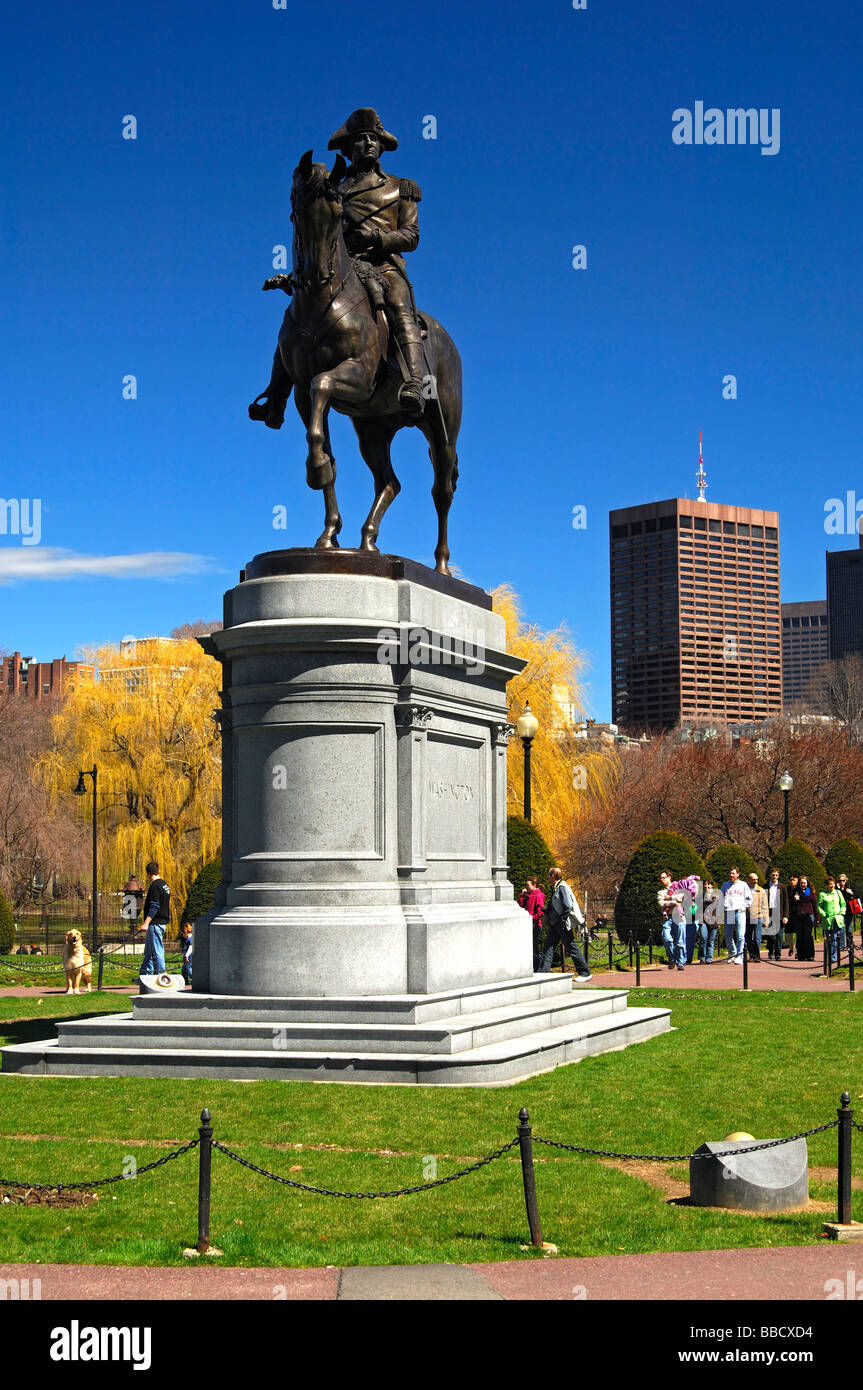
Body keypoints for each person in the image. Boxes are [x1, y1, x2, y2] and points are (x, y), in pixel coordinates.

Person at [249, 108, 427, 426]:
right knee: (295, 317)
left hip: (384, 265)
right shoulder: (336, 190)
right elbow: (321, 237)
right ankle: (276, 398)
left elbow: (411, 236)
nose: (368, 144)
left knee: (400, 305)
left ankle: (415, 383)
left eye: (374, 138)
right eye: (360, 140)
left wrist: (375, 236)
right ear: (347, 149)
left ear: (382, 146)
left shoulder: (402, 188)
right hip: (343, 266)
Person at [538, 868, 593, 981]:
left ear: (553, 876)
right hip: (556, 923)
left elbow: (567, 906)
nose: (548, 877)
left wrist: (561, 919)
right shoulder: (558, 887)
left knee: (571, 947)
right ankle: (543, 972)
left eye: (549, 875)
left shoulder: (561, 888)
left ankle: (585, 972)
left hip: (561, 924)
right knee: (548, 946)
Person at [139, 861, 171, 976]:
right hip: (161, 922)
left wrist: (146, 923)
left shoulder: (155, 886)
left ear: (148, 874)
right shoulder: (164, 884)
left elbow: (155, 906)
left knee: (157, 951)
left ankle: (161, 976)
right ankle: (144, 976)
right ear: (158, 871)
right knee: (148, 952)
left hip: (155, 923)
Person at [657, 870, 690, 972]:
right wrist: (674, 902)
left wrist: (669, 898)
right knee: (667, 938)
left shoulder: (678, 887)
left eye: (664, 877)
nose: (662, 880)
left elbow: (682, 898)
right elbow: (661, 903)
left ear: (669, 877)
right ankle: (672, 959)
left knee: (680, 941)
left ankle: (680, 962)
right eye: (661, 878)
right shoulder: (661, 892)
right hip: (668, 918)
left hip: (679, 916)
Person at [720, 867, 752, 964]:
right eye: (730, 873)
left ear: (738, 874)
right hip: (729, 912)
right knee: (728, 935)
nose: (731, 875)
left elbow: (749, 899)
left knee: (740, 935)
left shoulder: (743, 885)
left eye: (733, 873)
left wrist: (744, 906)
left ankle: (739, 955)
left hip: (740, 912)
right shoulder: (725, 885)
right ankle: (732, 953)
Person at [519, 877, 546, 972]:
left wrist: (531, 918)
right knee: (530, 947)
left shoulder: (538, 896)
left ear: (534, 885)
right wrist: (522, 896)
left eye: (528, 885)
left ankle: (538, 968)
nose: (526, 887)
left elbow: (540, 912)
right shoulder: (529, 895)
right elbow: (522, 907)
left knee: (534, 947)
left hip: (535, 925)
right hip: (529, 924)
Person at [818, 877, 846, 966]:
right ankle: (829, 955)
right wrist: (823, 914)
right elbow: (819, 906)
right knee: (829, 939)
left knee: (835, 937)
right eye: (830, 884)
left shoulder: (838, 893)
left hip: (837, 919)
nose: (832, 886)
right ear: (827, 885)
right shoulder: (823, 894)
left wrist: (841, 913)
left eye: (833, 884)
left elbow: (843, 904)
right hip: (827, 920)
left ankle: (833, 957)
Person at [790, 875, 818, 962]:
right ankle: (801, 955)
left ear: (807, 884)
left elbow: (815, 905)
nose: (803, 885)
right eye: (801, 883)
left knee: (807, 936)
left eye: (804, 883)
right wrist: (794, 900)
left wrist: (817, 918)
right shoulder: (795, 892)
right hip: (798, 916)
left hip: (808, 916)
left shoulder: (811, 893)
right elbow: (790, 903)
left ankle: (810, 955)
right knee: (799, 936)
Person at [764, 868, 789, 961]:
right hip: (769, 912)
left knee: (779, 935)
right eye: (773, 875)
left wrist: (786, 916)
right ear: (770, 875)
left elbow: (786, 902)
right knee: (770, 934)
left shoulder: (782, 887)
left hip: (779, 913)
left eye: (776, 875)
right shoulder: (766, 886)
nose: (774, 877)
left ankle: (778, 954)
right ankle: (771, 950)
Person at [746, 873, 768, 961]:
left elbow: (765, 906)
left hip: (758, 916)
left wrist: (766, 921)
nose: (755, 881)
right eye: (753, 879)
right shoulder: (745, 889)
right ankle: (751, 955)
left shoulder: (761, 891)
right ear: (749, 879)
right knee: (748, 937)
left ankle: (757, 956)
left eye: (756, 879)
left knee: (757, 937)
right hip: (747, 917)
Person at [699, 879, 721, 962]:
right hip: (704, 920)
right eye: (705, 884)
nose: (707, 886)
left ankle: (709, 958)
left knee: (711, 940)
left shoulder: (716, 896)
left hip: (713, 921)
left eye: (708, 885)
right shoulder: (701, 896)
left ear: (712, 886)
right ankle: (702, 957)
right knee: (703, 938)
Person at [181, 922, 193, 988]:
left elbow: (190, 948)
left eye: (183, 933)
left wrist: (186, 955)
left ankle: (194, 979)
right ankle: (185, 981)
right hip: (187, 957)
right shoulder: (189, 939)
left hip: (188, 957)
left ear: (185, 932)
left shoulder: (190, 940)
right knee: (184, 970)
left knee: (188, 969)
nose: (182, 935)